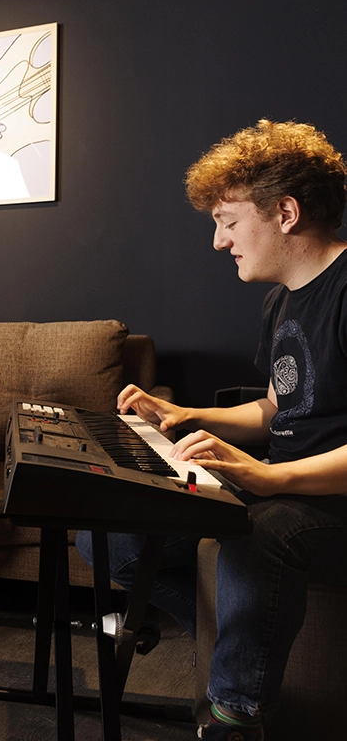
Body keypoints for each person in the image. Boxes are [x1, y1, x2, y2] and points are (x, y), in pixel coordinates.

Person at [79, 120, 347, 741]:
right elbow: (276, 410)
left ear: (284, 212)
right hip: (284, 486)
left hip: (328, 505)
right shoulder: (281, 300)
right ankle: (235, 646)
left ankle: (233, 719)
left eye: (228, 221)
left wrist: (268, 476)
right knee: (109, 541)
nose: (219, 242)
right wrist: (186, 416)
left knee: (261, 529)